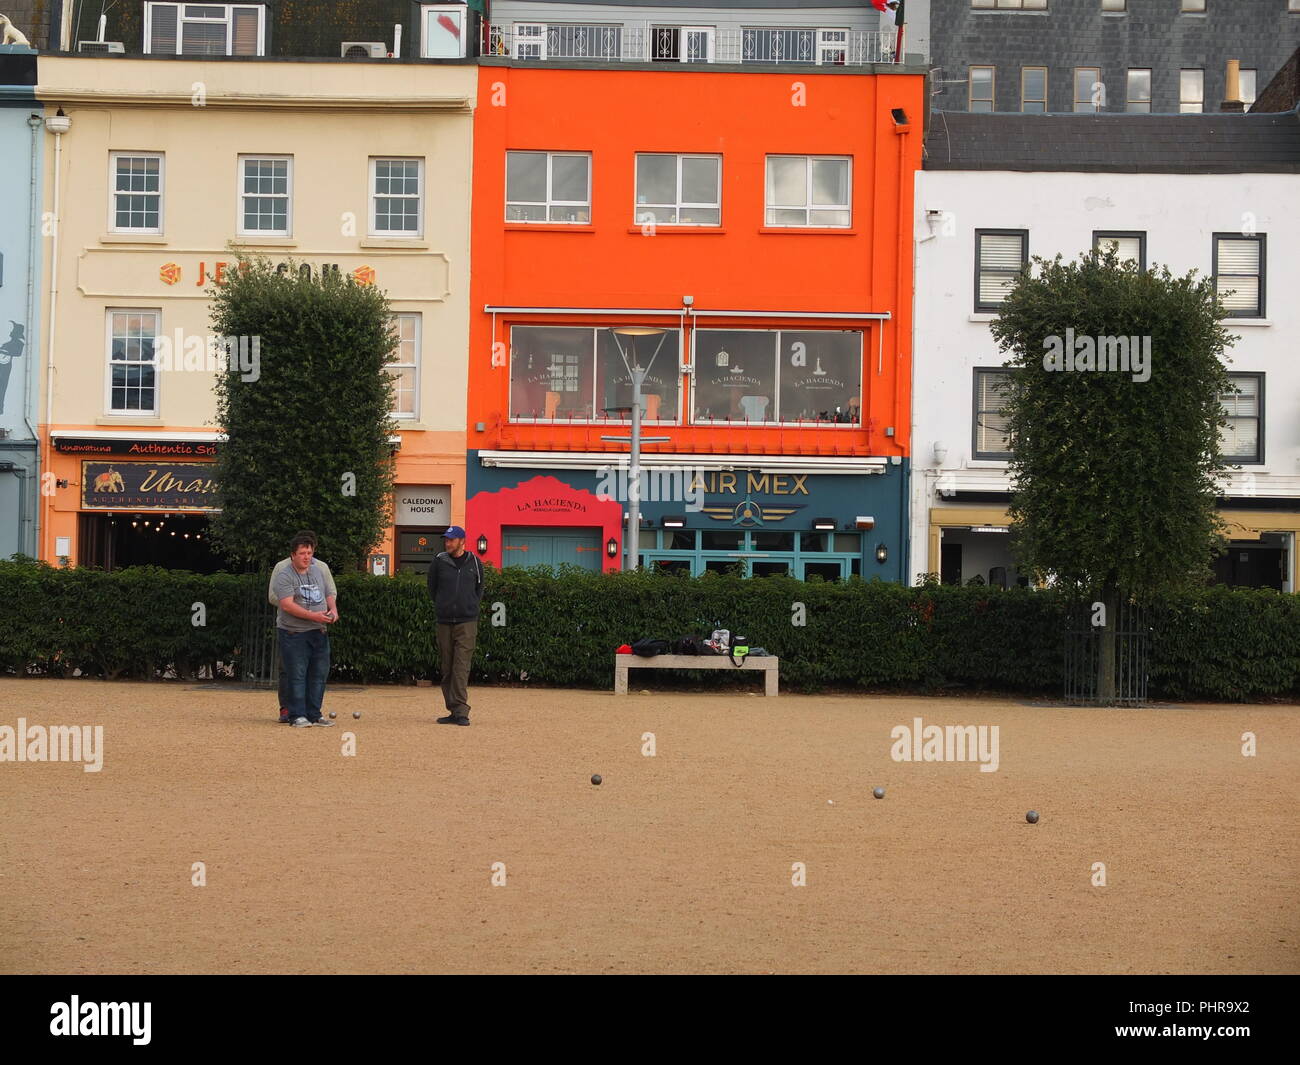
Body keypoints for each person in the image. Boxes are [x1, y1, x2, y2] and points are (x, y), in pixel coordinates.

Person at [270, 532, 338, 728]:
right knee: (297, 674)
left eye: (309, 552)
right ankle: (296, 715)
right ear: (293, 555)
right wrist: (313, 615)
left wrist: (333, 610)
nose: (307, 556)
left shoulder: (318, 571)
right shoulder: (284, 575)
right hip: (294, 632)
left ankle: (314, 714)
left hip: (318, 631)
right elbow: (287, 605)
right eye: (302, 553)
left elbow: (328, 593)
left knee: (318, 674)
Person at [425, 525, 484, 726]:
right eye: (446, 540)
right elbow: (432, 589)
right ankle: (452, 709)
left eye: (451, 539)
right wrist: (443, 606)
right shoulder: (439, 562)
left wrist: (469, 607)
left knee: (461, 666)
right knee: (447, 667)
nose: (447, 543)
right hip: (444, 621)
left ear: (462, 541)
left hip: (467, 622)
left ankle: (461, 711)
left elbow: (479, 589)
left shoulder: (475, 562)